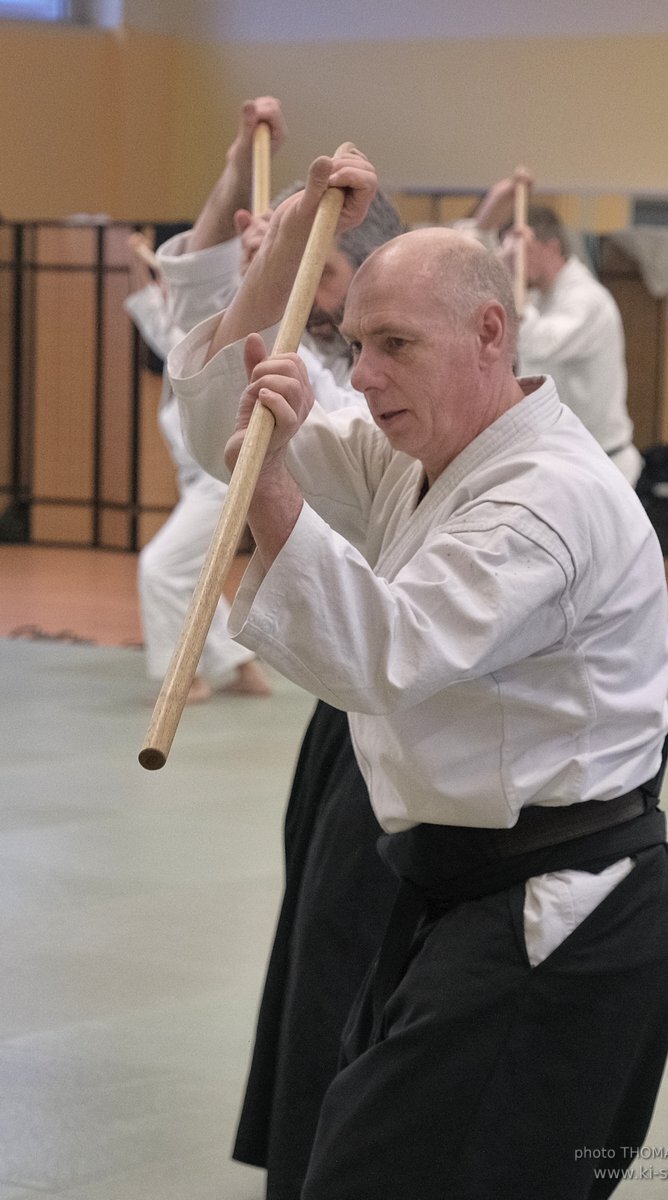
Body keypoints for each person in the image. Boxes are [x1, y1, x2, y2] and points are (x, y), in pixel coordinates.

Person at [170, 147, 668, 1199]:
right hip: (464, 898)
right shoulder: (421, 456)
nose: (360, 375)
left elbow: (386, 653)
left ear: (489, 334)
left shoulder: (544, 497)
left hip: (556, 918)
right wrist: (290, 248)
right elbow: (212, 427)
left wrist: (271, 487)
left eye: (393, 344)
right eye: (354, 343)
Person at [161, 104, 404, 1198]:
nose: (363, 355)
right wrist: (259, 209)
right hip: (351, 727)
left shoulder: (377, 396)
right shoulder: (312, 383)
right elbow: (213, 369)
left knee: (376, 989)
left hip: (413, 715)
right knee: (328, 975)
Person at [124, 235, 271, 703]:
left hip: (220, 483)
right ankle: (241, 668)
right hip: (201, 486)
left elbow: (163, 310)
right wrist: (135, 258)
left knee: (161, 568)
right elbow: (150, 307)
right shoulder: (175, 344)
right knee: (185, 573)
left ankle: (186, 679)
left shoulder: (209, 343)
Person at [459, 172, 642, 486]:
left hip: (601, 465)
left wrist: (511, 284)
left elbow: (537, 343)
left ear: (551, 246)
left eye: (521, 251)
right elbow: (471, 274)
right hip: (564, 459)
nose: (515, 261)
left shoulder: (587, 299)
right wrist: (493, 211)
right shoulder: (539, 298)